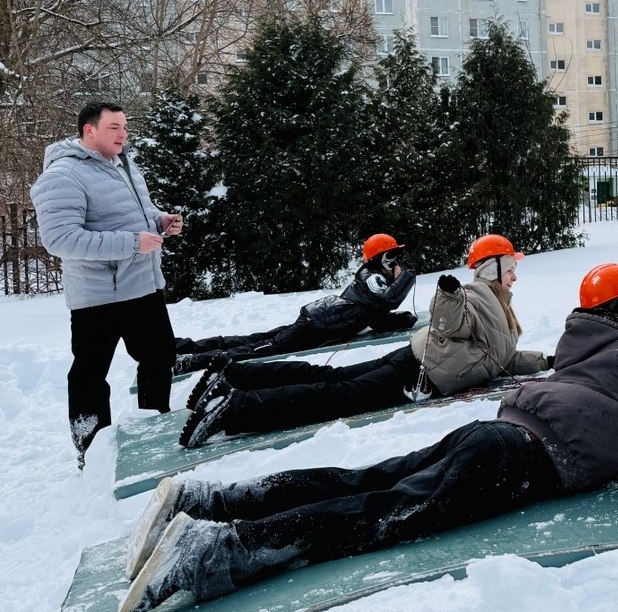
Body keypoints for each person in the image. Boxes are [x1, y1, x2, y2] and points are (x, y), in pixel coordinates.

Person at [114, 262, 618, 612]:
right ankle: (217, 550)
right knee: (383, 513)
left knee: (367, 478)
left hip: (496, 431)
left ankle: (211, 500)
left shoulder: (581, 350)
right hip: (520, 458)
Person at [178, 233, 549, 448]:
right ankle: (236, 408)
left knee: (333, 379)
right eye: (511, 268)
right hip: (418, 373)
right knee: (337, 394)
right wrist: (447, 294)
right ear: (494, 268)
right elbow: (448, 321)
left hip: (415, 361)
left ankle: (237, 376)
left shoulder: (499, 304)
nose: (515, 276)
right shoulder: (476, 294)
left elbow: (502, 357)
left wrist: (546, 361)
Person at [31, 101, 185, 468]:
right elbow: (61, 240)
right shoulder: (62, 176)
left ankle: (154, 431)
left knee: (159, 358)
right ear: (89, 131)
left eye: (125, 127)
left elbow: (135, 214)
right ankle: (92, 453)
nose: (123, 134)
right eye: (114, 127)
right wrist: (133, 242)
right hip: (99, 297)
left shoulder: (124, 164)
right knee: (89, 375)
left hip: (142, 286)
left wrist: (160, 221)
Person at [170, 234, 417, 375]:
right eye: (392, 255)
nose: (397, 261)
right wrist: (405, 277)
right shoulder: (372, 278)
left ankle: (183, 348)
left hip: (317, 322)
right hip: (316, 325)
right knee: (261, 349)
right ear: (380, 258)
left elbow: (374, 314)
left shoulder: (376, 279)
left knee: (256, 340)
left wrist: (401, 320)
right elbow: (388, 300)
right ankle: (190, 361)